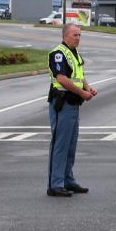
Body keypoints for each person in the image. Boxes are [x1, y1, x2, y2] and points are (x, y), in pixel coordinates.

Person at [46, 23, 97, 197]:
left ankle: (68, 179)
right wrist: (82, 93)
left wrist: (88, 87)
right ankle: (55, 184)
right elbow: (62, 79)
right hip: (63, 104)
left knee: (70, 145)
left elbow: (79, 75)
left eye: (80, 35)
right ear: (65, 36)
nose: (78, 38)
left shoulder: (74, 54)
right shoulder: (58, 54)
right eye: (75, 35)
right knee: (60, 145)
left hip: (73, 105)